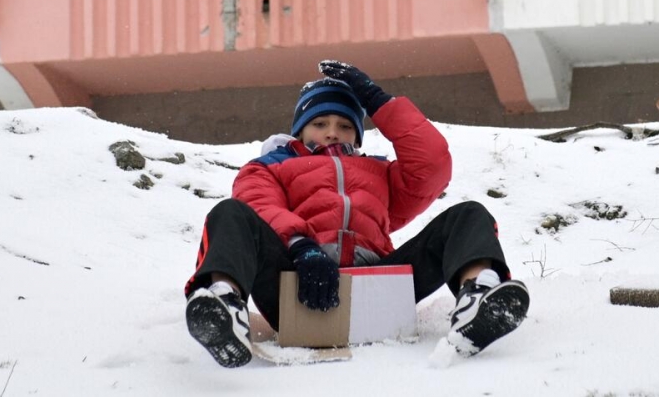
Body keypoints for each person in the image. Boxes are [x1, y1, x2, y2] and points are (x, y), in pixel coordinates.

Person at [183, 60, 530, 367]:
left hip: (379, 287)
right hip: (295, 285)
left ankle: (477, 299)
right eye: (320, 123)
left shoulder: (382, 173)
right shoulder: (270, 167)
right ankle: (224, 305)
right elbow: (259, 205)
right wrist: (302, 246)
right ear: (300, 130)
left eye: (345, 125)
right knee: (231, 213)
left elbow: (433, 165)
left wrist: (378, 102)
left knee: (467, 214)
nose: (332, 132)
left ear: (359, 135)